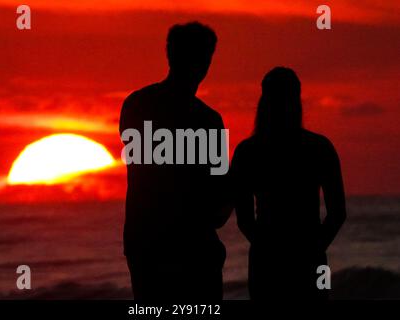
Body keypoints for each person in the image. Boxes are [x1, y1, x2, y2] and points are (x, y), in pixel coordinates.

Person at [119, 22, 230, 300]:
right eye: (203, 56)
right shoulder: (208, 121)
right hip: (190, 252)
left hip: (146, 246)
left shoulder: (136, 105)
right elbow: (217, 209)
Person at [230, 67, 346, 299]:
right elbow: (338, 213)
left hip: (266, 260)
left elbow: (244, 219)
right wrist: (314, 247)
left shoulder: (248, 151)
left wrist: (267, 246)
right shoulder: (320, 147)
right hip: (308, 255)